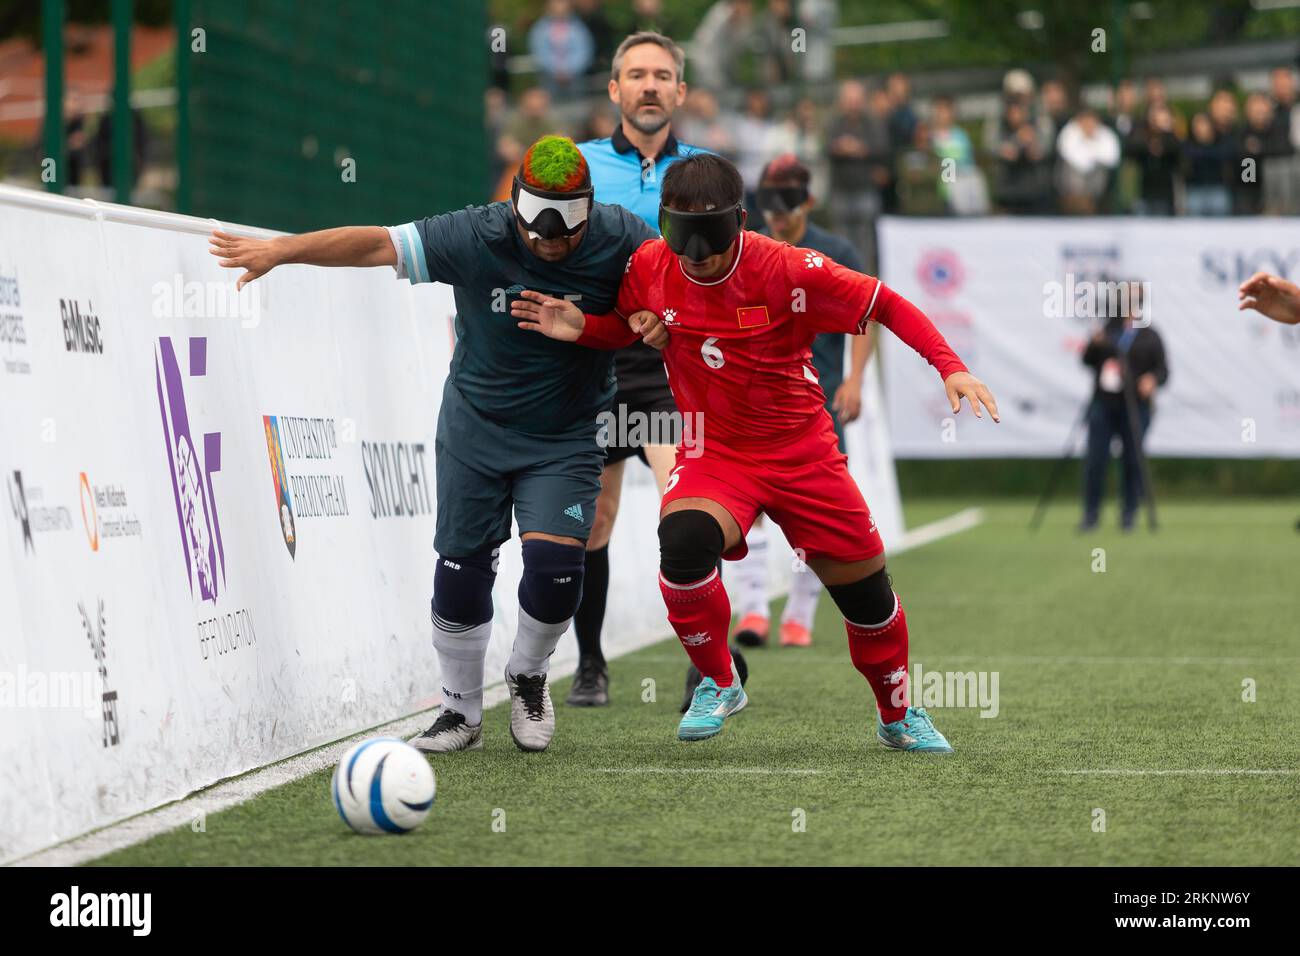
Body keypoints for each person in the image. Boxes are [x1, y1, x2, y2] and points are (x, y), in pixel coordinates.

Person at [512, 153, 1000, 749]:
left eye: (710, 235)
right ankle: (721, 681)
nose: (695, 254)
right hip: (715, 452)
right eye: (679, 234)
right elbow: (627, 326)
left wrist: (950, 368)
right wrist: (584, 327)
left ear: (741, 221)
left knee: (868, 600)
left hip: (803, 453)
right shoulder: (649, 265)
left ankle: (896, 714)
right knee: (683, 541)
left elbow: (885, 304)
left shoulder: (791, 269)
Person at [209, 136, 659, 753]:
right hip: (477, 425)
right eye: (537, 226)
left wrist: (647, 326)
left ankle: (528, 674)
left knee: (557, 572)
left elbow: (674, 304)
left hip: (567, 431)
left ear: (591, 207)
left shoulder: (625, 238)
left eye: (569, 225)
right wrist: (283, 251)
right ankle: (460, 711)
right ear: (514, 204)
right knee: (461, 567)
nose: (552, 240)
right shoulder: (475, 234)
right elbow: (376, 243)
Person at [571, 31, 708, 706]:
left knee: (687, 507)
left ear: (680, 91)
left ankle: (703, 663)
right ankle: (590, 664)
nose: (649, 85)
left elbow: (741, 264)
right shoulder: (578, 165)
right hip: (593, 358)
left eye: (662, 76)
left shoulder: (709, 172)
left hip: (675, 364)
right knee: (595, 518)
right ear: (614, 89)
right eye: (636, 75)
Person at [725, 154, 872, 653]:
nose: (778, 215)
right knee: (753, 508)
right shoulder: (745, 250)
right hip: (755, 397)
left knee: (816, 511)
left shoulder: (835, 251)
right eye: (768, 203)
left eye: (787, 203)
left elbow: (866, 315)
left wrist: (854, 378)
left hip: (819, 396)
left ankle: (801, 615)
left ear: (807, 200)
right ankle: (752, 609)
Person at [1079, 281, 1168, 532]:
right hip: (1104, 404)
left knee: (1132, 460)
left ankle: (1129, 514)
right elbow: (1087, 360)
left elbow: (1163, 370)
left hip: (1136, 406)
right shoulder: (1107, 330)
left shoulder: (1150, 334)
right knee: (1096, 459)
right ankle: (1091, 514)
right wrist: (1094, 345)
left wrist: (1152, 379)